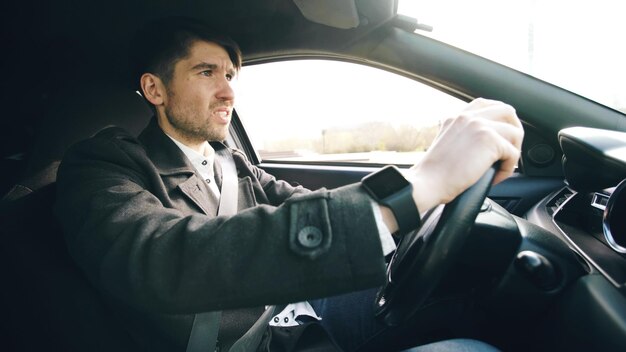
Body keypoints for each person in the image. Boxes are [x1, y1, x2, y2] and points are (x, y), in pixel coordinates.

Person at [55, 16, 523, 352]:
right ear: (156, 90)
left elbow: (305, 204)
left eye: (230, 75)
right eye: (206, 73)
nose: (228, 91)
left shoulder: (228, 161)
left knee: (466, 311)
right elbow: (163, 258)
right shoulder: (102, 167)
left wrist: (410, 185)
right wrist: (421, 187)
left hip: (284, 326)